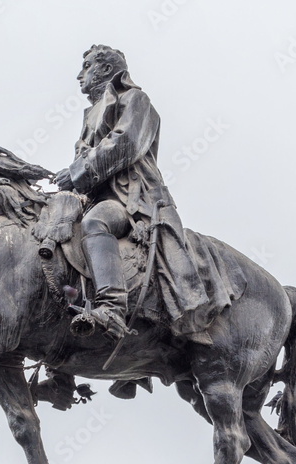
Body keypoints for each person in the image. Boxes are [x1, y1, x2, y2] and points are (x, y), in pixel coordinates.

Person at [54, 44, 213, 343]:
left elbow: (124, 143)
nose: (79, 75)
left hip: (131, 199)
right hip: (96, 197)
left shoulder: (135, 99)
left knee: (95, 223)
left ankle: (112, 307)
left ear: (105, 69)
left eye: (86, 66)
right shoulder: (90, 116)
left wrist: (76, 173)